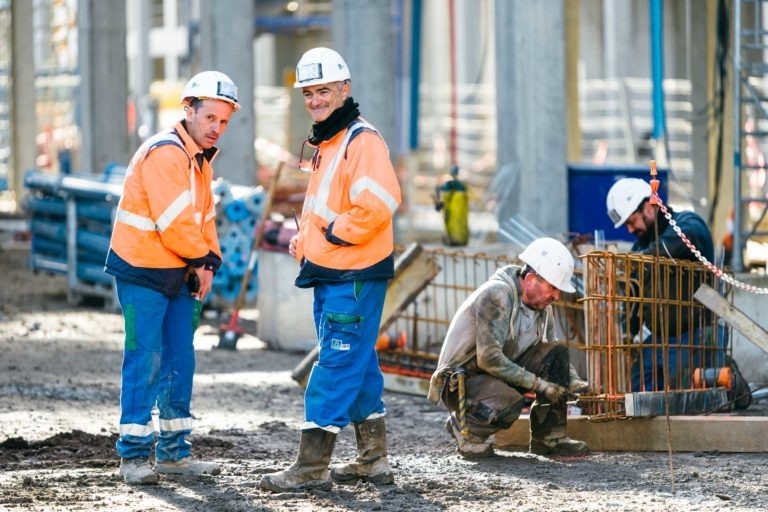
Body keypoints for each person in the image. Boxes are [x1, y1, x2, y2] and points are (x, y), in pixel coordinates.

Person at [259, 47, 402, 492]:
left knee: (335, 364)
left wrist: (336, 233)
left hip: (353, 273)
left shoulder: (361, 140)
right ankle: (373, 460)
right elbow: (326, 204)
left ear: (345, 89)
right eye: (309, 93)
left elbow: (379, 202)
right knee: (358, 365)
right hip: (336, 272)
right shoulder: (331, 142)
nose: (316, 99)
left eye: (323, 90)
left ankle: (311, 466)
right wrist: (308, 240)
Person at [105, 70, 240, 484]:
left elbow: (205, 221)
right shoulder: (166, 153)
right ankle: (133, 458)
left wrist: (209, 265)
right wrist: (201, 260)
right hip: (144, 272)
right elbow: (176, 223)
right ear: (189, 110)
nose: (217, 128)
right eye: (211, 118)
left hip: (180, 273)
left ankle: (175, 454)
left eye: (224, 121)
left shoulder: (199, 161)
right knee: (145, 360)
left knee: (180, 360)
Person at [427, 237, 590, 458]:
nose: (557, 296)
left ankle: (550, 437)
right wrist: (540, 385)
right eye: (553, 287)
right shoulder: (497, 295)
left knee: (558, 352)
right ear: (531, 279)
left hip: (496, 374)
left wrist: (574, 381)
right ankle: (466, 429)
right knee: (510, 403)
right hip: (462, 381)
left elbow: (550, 350)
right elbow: (490, 358)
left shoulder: (543, 309)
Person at [605, 178, 750, 408]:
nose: (630, 230)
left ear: (649, 207)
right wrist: (629, 333)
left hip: (695, 332)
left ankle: (727, 376)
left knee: (682, 399)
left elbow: (684, 239)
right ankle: (713, 372)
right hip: (658, 338)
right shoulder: (641, 247)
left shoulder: (688, 224)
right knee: (637, 392)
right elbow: (632, 297)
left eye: (632, 221)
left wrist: (640, 259)